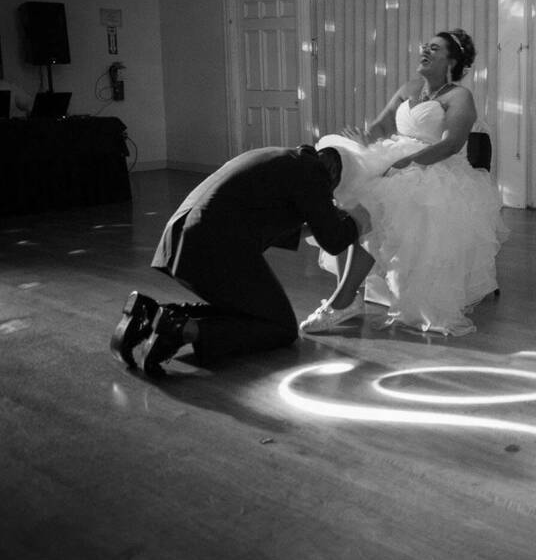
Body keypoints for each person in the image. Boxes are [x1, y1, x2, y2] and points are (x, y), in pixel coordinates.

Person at [301, 28, 508, 337]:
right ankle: (348, 293)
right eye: (425, 46)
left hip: (434, 165)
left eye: (434, 49)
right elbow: (382, 126)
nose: (425, 51)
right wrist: (364, 139)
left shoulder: (459, 96)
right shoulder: (409, 88)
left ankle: (342, 301)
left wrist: (407, 163)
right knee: (350, 195)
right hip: (394, 155)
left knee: (379, 206)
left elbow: (451, 144)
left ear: (452, 61)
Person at [110, 144, 370, 379]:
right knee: (280, 327)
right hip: (216, 244)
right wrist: (359, 219)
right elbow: (335, 241)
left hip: (183, 238)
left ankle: (152, 314)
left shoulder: (282, 158)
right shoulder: (314, 174)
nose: (332, 199)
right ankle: (185, 329)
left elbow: (270, 221)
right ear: (335, 174)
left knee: (251, 311)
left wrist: (320, 221)